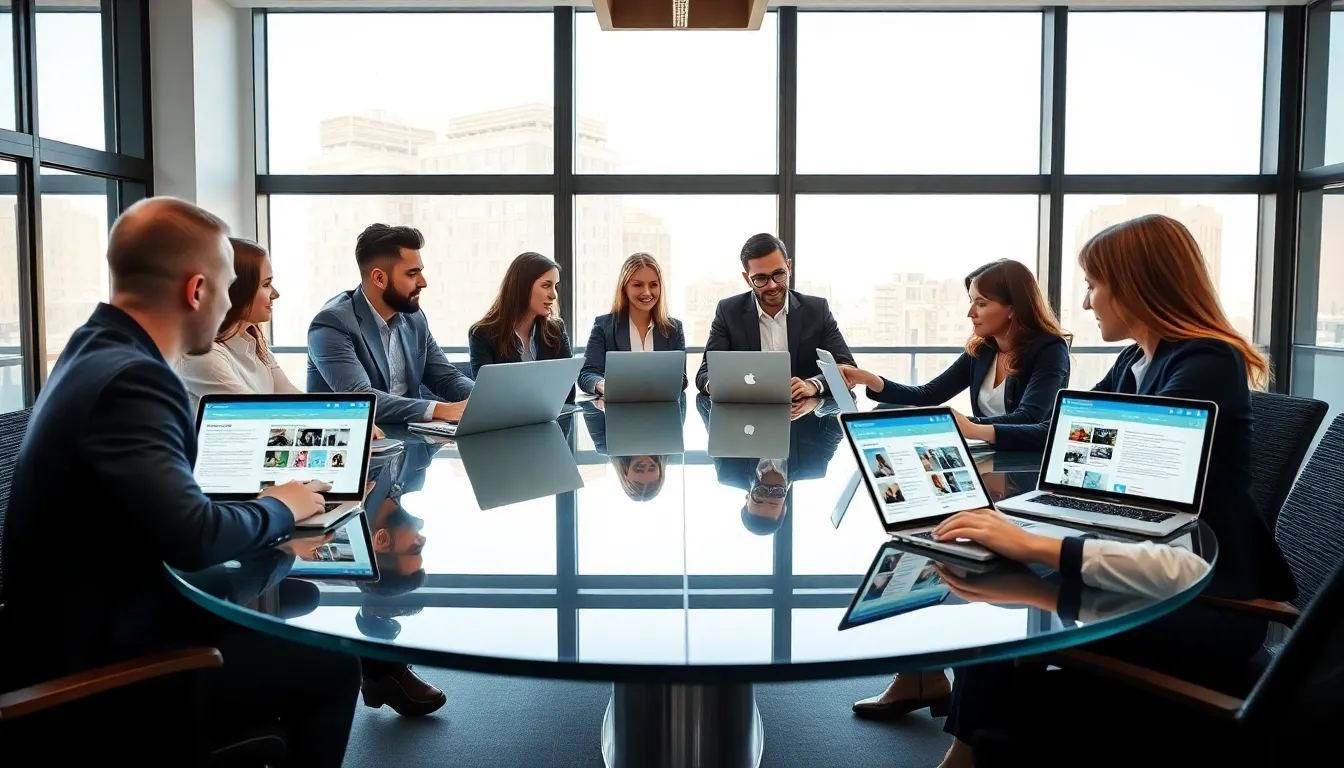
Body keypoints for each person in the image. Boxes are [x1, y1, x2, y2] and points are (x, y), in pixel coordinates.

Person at [927, 214, 1298, 768]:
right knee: (991, 578)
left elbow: (1131, 485)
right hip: (1147, 558)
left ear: (1135, 286)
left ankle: (969, 753)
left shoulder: (1204, 363)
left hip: (1203, 592)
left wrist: (1030, 536)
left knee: (1002, 606)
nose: (1086, 304)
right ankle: (968, 751)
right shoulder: (1134, 361)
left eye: (1094, 286)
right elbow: (1067, 438)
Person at [0, 197, 357, 764]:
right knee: (333, 664)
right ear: (197, 291)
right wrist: (282, 507)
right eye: (223, 288)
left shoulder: (92, 348)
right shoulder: (135, 378)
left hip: (84, 623)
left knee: (275, 607)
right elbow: (194, 536)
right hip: (108, 667)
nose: (225, 309)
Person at [177, 239, 443, 718]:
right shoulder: (205, 356)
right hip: (232, 502)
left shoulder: (251, 340)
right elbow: (258, 427)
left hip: (263, 490)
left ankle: (380, 666)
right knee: (332, 549)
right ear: (235, 290)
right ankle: (376, 668)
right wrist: (339, 444)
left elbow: (292, 407)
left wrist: (348, 433)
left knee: (338, 542)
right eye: (267, 284)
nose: (276, 294)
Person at [841, 259, 1071, 424]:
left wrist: (958, 424)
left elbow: (1029, 418)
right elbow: (929, 394)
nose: (970, 312)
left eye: (981, 304)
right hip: (991, 454)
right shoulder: (984, 349)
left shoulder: (1049, 350)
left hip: (1029, 463)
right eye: (971, 302)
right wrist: (869, 379)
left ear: (1013, 308)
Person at [307, 223, 473, 424]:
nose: (423, 282)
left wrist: (485, 400)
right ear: (379, 278)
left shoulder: (414, 318)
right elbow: (361, 399)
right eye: (412, 274)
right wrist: (442, 410)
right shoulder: (331, 324)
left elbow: (446, 378)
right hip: (357, 445)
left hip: (410, 443)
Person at [695, 233, 855, 400]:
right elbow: (705, 373)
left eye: (779, 274)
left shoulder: (816, 310)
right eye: (761, 278)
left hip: (807, 415)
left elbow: (847, 367)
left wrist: (814, 384)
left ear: (789, 267)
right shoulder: (728, 312)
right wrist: (713, 384)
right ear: (747, 279)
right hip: (748, 416)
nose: (772, 285)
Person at [696, 395, 845, 535]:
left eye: (759, 497)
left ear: (747, 497)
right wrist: (815, 404)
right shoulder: (814, 465)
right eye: (775, 496)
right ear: (784, 506)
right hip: (802, 378)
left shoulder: (729, 471)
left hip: (748, 389)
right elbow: (845, 405)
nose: (769, 490)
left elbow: (704, 403)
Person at [579, 252, 688, 396]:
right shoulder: (604, 327)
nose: (647, 292)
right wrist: (603, 385)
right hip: (618, 412)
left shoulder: (674, 329)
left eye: (653, 285)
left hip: (661, 411)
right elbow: (587, 374)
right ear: (624, 287)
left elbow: (682, 379)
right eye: (638, 285)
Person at [468, 252, 574, 399]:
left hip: (550, 419)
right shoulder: (482, 335)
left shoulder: (556, 330)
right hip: (506, 421)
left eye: (555, 286)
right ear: (522, 287)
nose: (554, 295)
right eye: (546, 285)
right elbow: (487, 397)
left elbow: (568, 394)